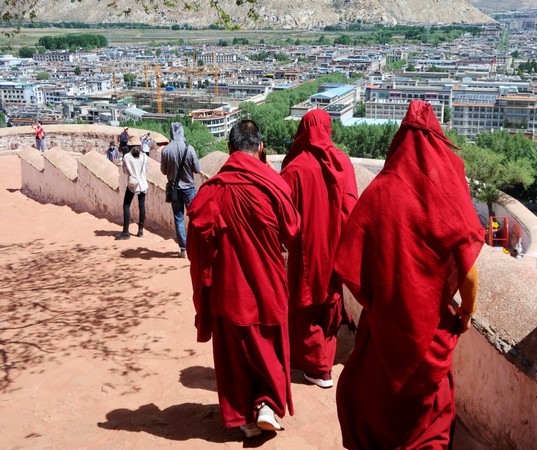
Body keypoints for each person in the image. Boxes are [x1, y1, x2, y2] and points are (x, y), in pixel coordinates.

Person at [333, 100, 485, 450]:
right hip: (429, 331)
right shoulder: (445, 195)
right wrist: (466, 313)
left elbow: (351, 262)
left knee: (372, 405)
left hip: (384, 328)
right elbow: (469, 273)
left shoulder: (381, 190)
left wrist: (383, 299)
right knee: (428, 423)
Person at [186, 120, 300, 439]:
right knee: (269, 351)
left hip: (229, 289)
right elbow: (292, 231)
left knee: (235, 357)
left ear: (229, 149)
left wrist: (206, 277)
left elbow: (196, 236)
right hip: (269, 286)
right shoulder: (274, 185)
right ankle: (266, 405)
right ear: (261, 148)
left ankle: (245, 418)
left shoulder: (216, 189)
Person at [279, 109, 358, 389]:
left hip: (305, 250)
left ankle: (315, 367)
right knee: (329, 302)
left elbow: (283, 216)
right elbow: (351, 208)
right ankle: (323, 366)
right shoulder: (343, 163)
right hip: (335, 249)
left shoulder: (294, 168)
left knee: (305, 303)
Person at [160, 122, 201, 258]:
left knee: (178, 218)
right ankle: (196, 246)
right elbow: (197, 169)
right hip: (189, 188)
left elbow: (163, 171)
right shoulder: (189, 149)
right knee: (194, 217)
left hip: (174, 190)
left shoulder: (166, 150)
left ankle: (183, 249)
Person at [115, 136, 148, 240]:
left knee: (126, 205)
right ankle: (141, 230)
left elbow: (125, 171)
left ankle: (126, 232)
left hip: (133, 184)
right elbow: (146, 169)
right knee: (142, 206)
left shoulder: (127, 157)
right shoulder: (144, 156)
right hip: (143, 184)